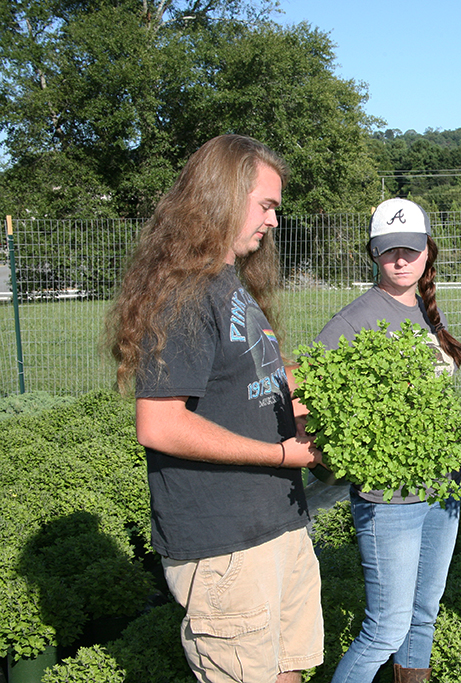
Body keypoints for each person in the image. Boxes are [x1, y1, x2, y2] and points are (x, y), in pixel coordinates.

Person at [106, 134, 324, 683]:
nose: (274, 220)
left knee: (290, 672)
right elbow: (159, 423)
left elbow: (254, 378)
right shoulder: (184, 291)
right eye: (266, 205)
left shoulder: (232, 285)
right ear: (224, 195)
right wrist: (279, 454)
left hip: (278, 525)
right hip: (227, 546)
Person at [316, 198, 461, 683]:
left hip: (443, 495)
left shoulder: (425, 313)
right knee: (385, 628)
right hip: (389, 499)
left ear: (427, 252)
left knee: (422, 616)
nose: (401, 259)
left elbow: (444, 414)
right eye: (389, 250)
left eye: (410, 250)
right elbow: (310, 409)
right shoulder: (351, 323)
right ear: (373, 254)